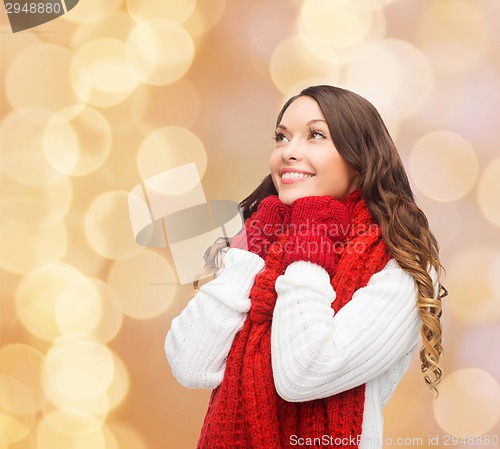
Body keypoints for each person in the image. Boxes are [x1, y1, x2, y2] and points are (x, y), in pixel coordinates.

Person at [165, 85, 446, 449]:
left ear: (360, 160)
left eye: (315, 135)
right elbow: (191, 364)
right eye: (281, 137)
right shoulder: (261, 240)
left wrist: (310, 239)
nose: (289, 151)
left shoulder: (399, 266)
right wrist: (252, 245)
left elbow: (303, 374)